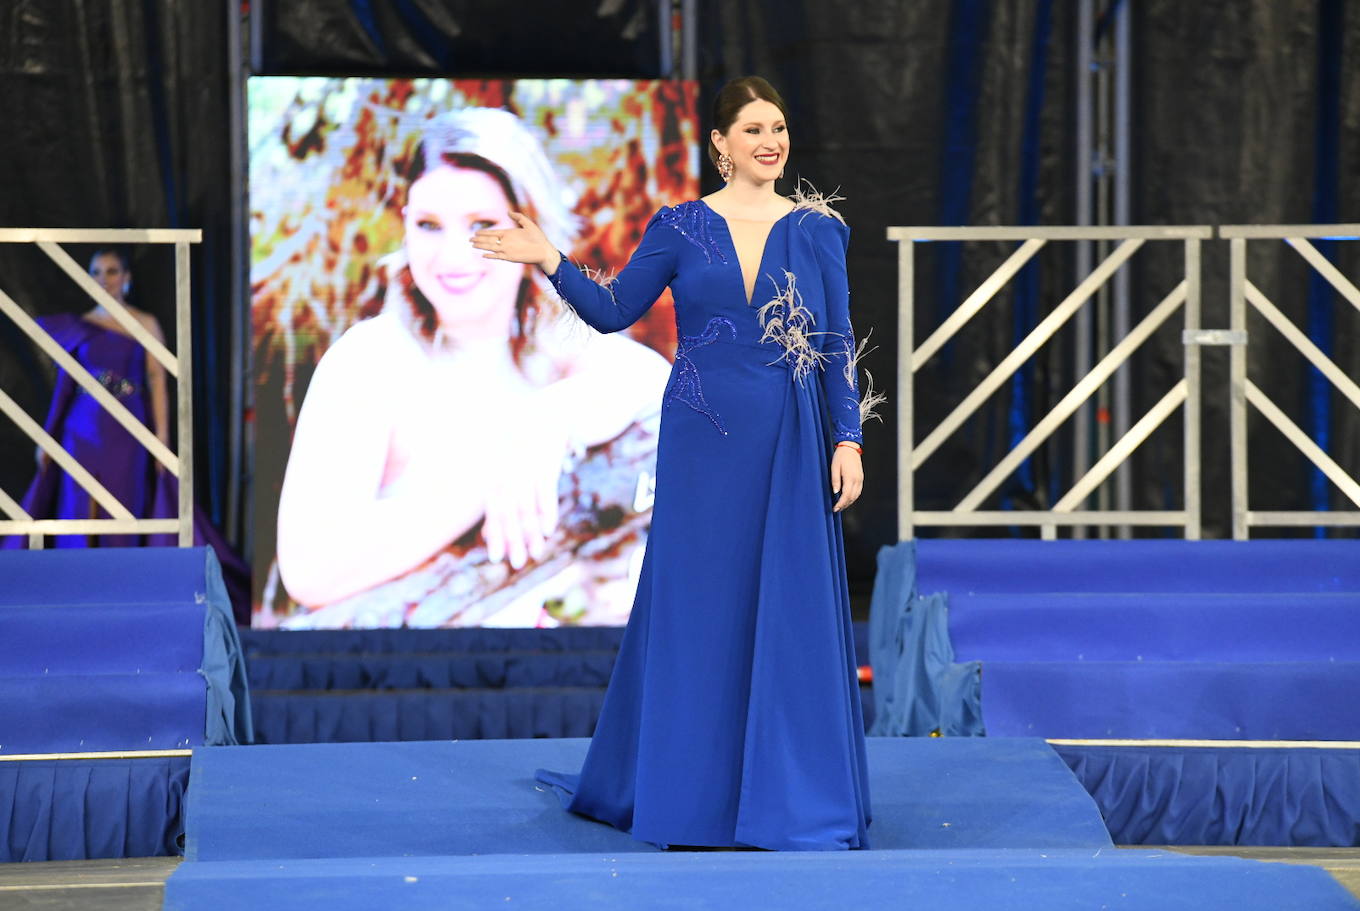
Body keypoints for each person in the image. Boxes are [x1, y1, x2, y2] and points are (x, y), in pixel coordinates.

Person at [479, 77, 876, 850]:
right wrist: (549, 259)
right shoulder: (681, 227)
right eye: (754, 127)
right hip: (702, 444)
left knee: (787, 611)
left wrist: (848, 439)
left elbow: (835, 347)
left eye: (781, 126)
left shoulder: (817, 231)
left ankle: (792, 802)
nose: (772, 140)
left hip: (792, 443)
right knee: (700, 613)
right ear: (720, 144)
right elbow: (612, 311)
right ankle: (692, 801)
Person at [274, 108, 671, 628]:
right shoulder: (370, 359)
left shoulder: (555, 342)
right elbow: (309, 570)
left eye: (483, 227)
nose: (453, 255)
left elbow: (657, 385)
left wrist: (548, 420)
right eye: (429, 225)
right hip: (411, 684)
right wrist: (491, 471)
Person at [4, 249, 252, 621]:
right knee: (78, 516)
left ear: (127, 277)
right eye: (97, 272)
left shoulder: (145, 324)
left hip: (129, 433)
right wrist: (47, 439)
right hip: (81, 432)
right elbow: (64, 389)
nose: (105, 278)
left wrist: (162, 441)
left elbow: (157, 381)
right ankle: (77, 601)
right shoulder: (80, 325)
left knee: (124, 511)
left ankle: (119, 601)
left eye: (112, 271)